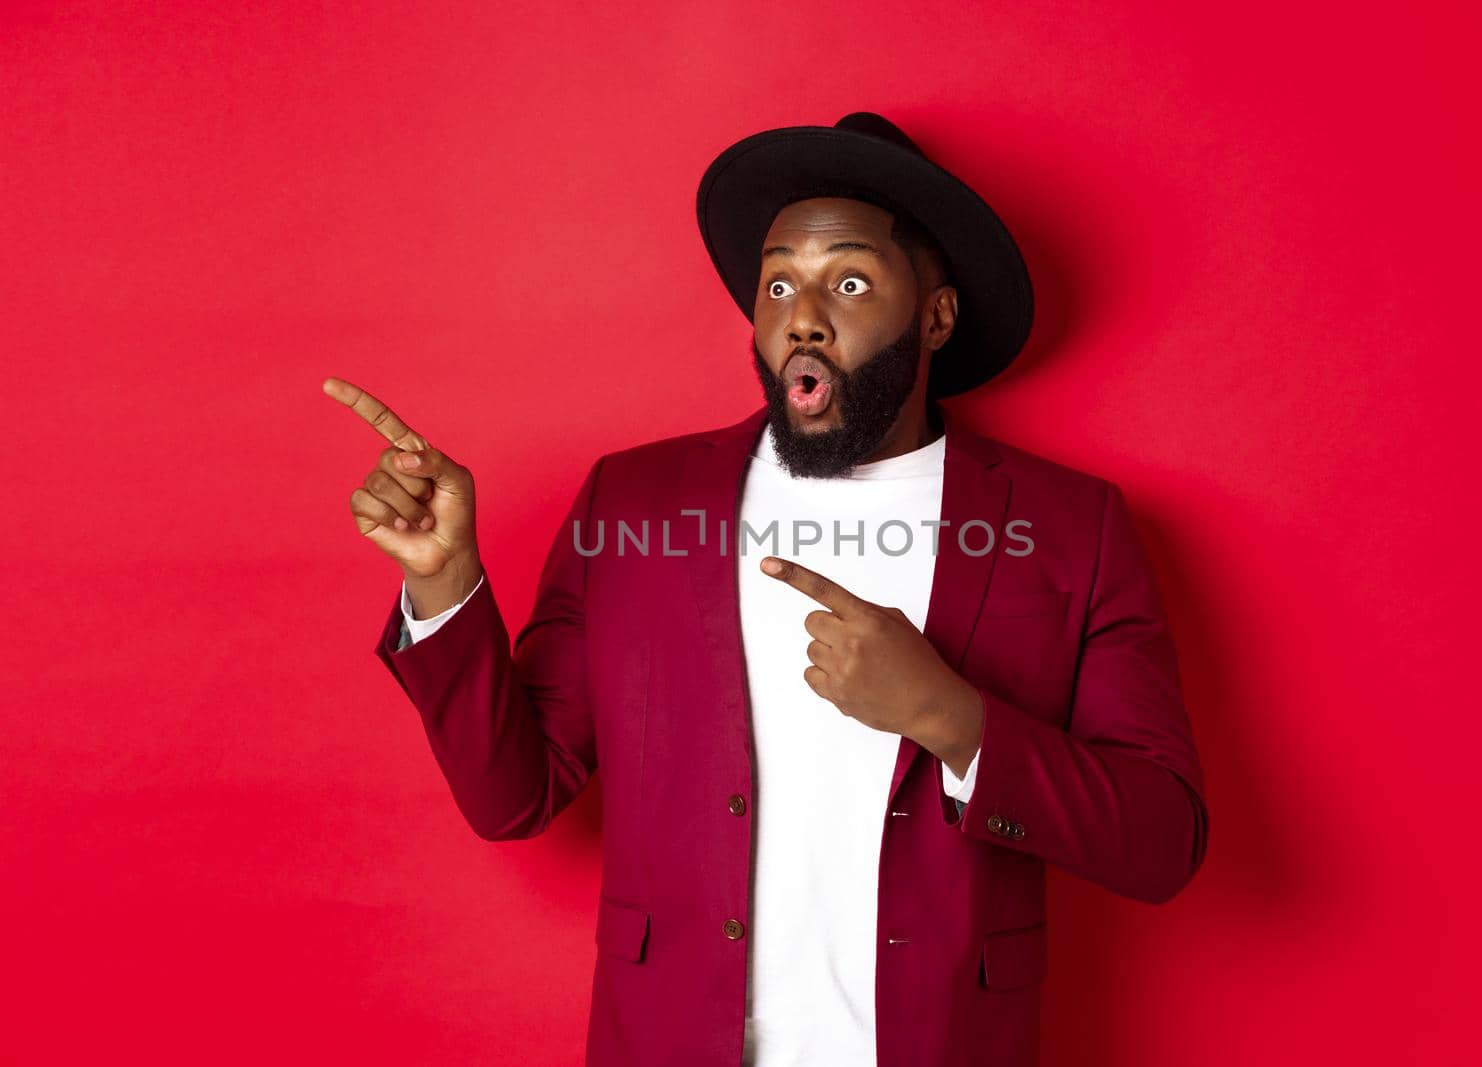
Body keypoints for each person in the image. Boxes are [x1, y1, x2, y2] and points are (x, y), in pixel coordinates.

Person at [323, 112, 1208, 1067]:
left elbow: (1160, 839)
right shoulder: (637, 501)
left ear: (937, 317)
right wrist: (447, 582)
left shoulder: (1073, 527)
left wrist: (951, 717)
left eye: (852, 281)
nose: (804, 315)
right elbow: (514, 796)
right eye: (779, 282)